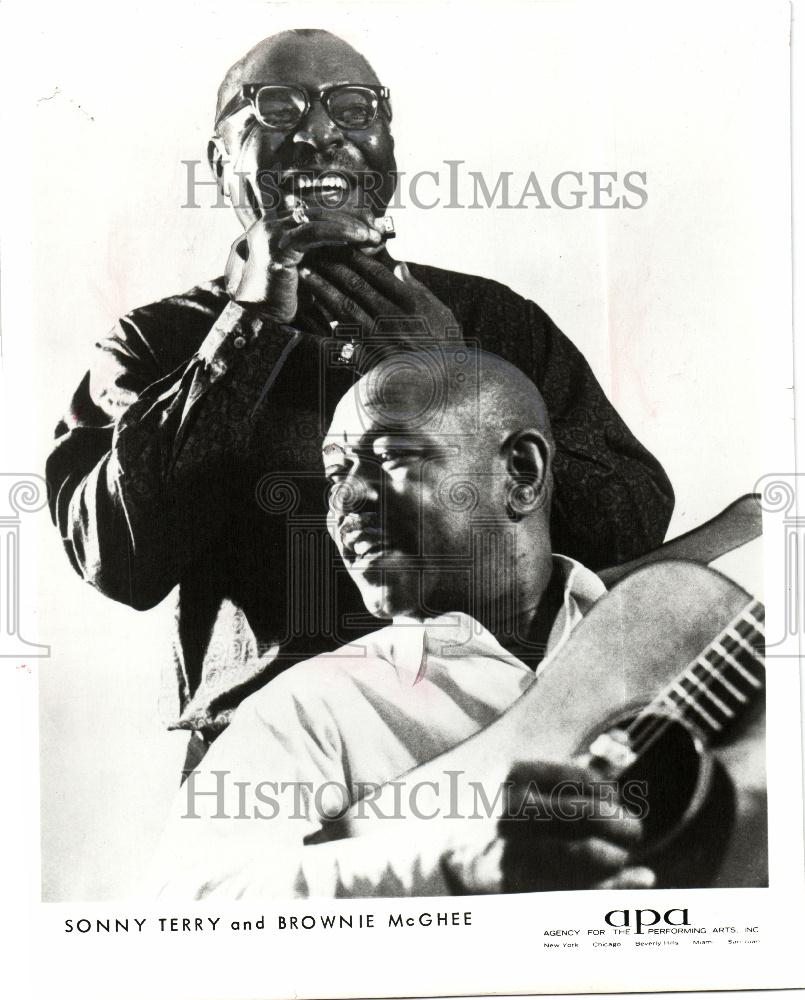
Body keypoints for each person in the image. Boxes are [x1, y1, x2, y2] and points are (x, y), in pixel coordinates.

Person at [45, 28, 673, 769]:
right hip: (272, 765)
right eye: (275, 109)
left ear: (387, 146)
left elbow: (629, 531)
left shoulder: (492, 320)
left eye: (352, 107)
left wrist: (452, 377)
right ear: (220, 164)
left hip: (505, 736)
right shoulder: (155, 342)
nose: (319, 133)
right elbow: (118, 563)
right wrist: (246, 331)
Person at [154, 349, 655, 898]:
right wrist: (448, 866)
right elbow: (192, 901)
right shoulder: (309, 707)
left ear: (522, 474)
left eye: (390, 457)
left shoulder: (669, 634)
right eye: (334, 475)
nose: (345, 499)